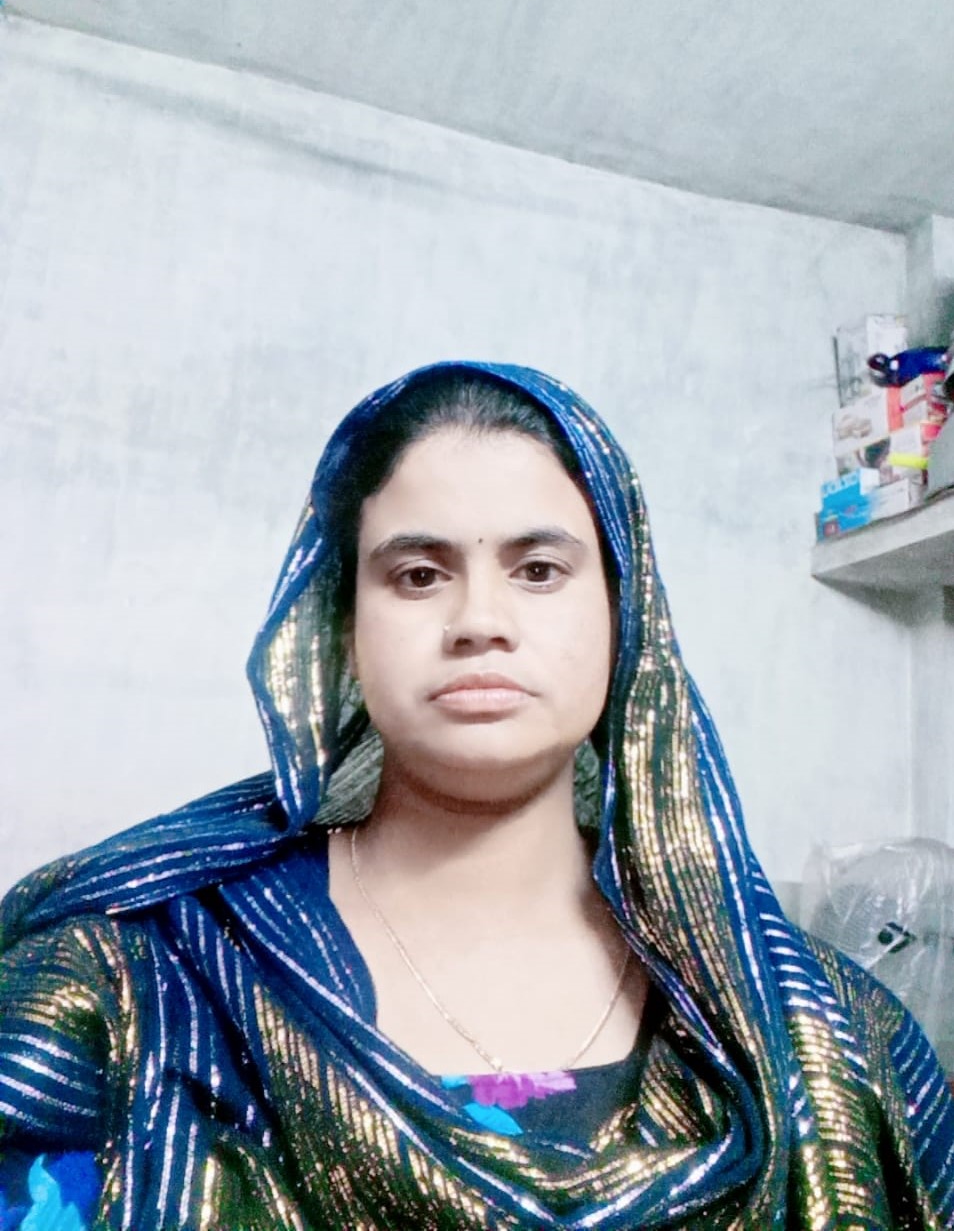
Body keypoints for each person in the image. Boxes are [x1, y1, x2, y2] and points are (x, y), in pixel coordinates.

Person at [1, 361, 952, 1229]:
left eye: (539, 571)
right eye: (419, 575)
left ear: (626, 617)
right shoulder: (127, 987)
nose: (480, 622)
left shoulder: (825, 1035)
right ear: (343, 631)